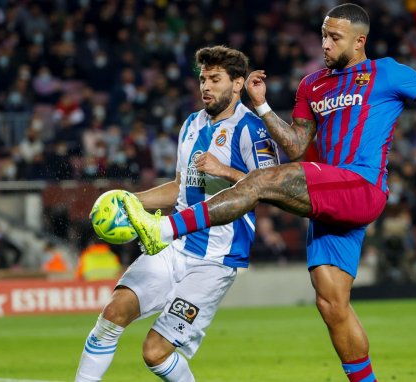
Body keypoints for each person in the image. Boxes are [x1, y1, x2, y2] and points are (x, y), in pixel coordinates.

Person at [123, 4, 416, 382]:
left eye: (334, 37)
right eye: (323, 34)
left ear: (359, 41)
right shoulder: (312, 84)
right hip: (327, 196)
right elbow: (294, 145)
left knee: (259, 181)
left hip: (360, 185)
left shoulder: (386, 72)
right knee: (331, 303)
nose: (325, 43)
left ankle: (165, 230)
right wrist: (262, 106)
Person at [75, 46, 279, 382]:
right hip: (172, 243)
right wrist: (131, 202)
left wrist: (225, 171)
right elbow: (181, 187)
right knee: (112, 314)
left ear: (238, 84)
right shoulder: (191, 125)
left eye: (215, 79)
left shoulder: (252, 131)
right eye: (202, 79)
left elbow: (271, 190)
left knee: (155, 353)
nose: (206, 87)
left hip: (215, 261)